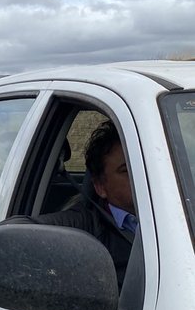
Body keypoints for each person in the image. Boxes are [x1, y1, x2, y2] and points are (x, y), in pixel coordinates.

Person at [36, 121, 138, 287]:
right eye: (126, 170)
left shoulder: (183, 209)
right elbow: (11, 231)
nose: (142, 176)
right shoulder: (84, 224)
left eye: (144, 166)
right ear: (100, 186)